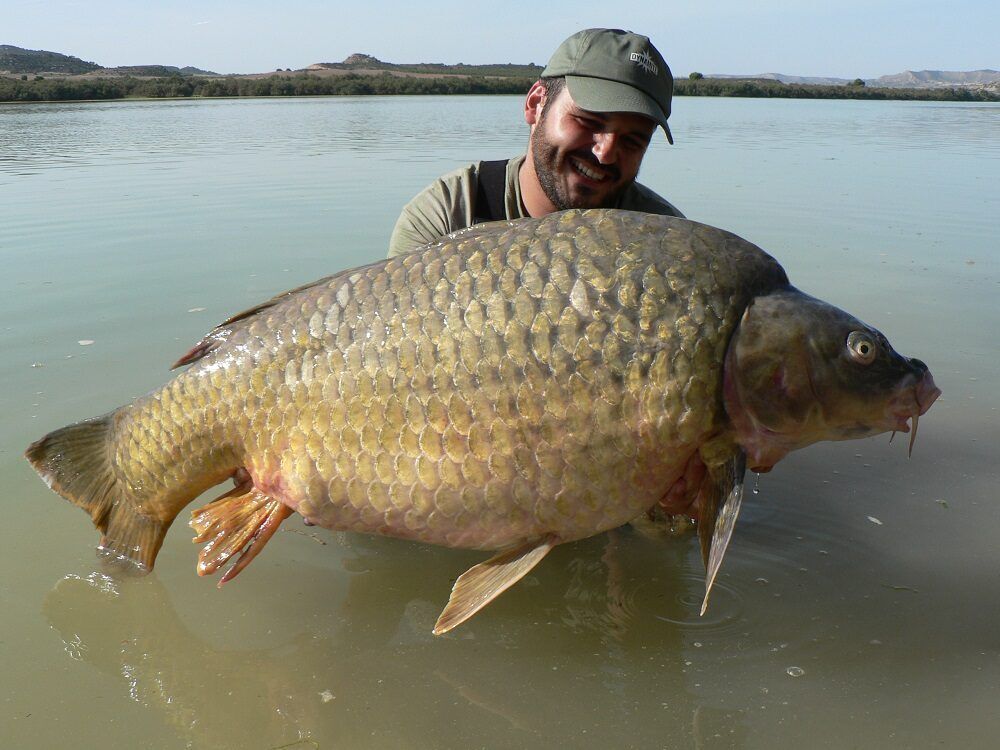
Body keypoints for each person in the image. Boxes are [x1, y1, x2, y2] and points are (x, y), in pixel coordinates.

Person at [387, 28, 684, 258]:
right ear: (535, 104)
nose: (605, 153)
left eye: (633, 140)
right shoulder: (446, 215)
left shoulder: (667, 238)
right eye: (588, 122)